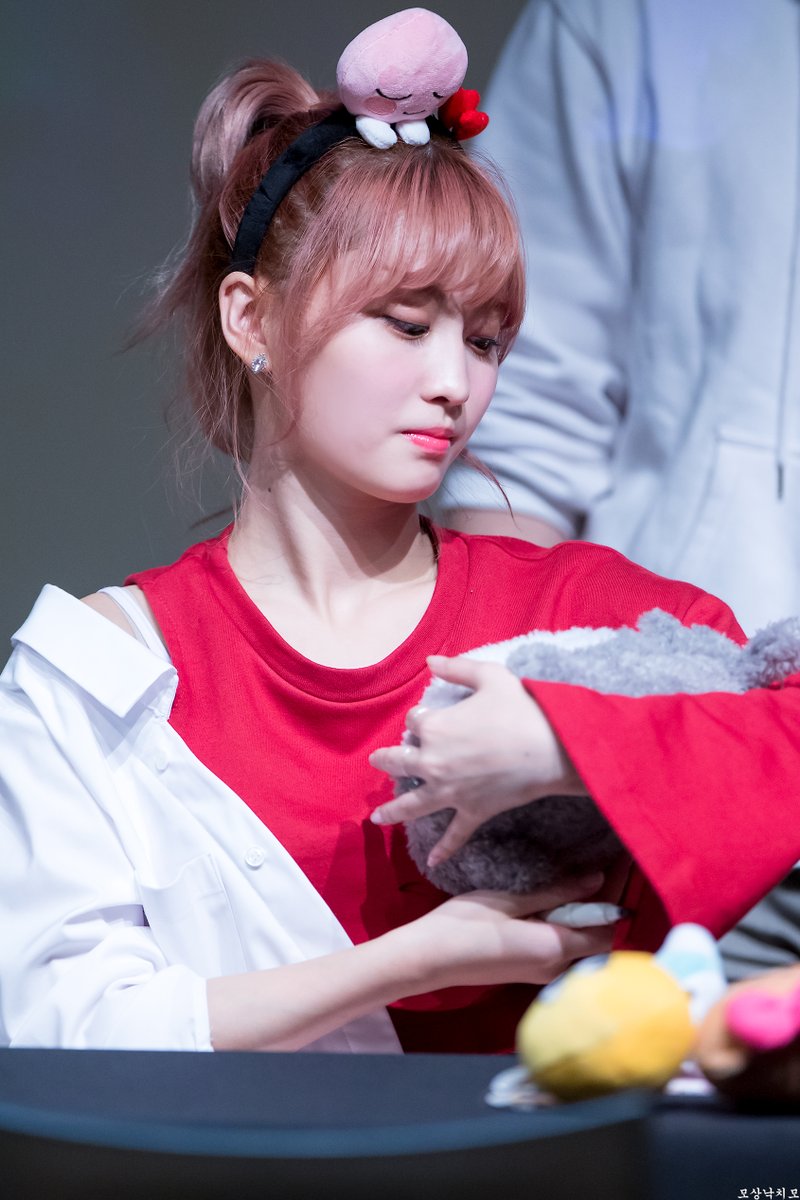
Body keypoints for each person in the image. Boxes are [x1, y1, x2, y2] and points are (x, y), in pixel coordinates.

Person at [1, 30, 799, 1055]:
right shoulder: (101, 674)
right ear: (250, 319)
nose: (455, 383)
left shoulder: (574, 615)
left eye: (485, 340)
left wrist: (569, 745)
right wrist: (416, 960)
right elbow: (56, 1026)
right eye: (406, 323)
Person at [437, 0, 800, 980]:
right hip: (676, 759)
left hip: (696, 743)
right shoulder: (626, 17)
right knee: (648, 1072)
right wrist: (516, 707)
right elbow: (529, 407)